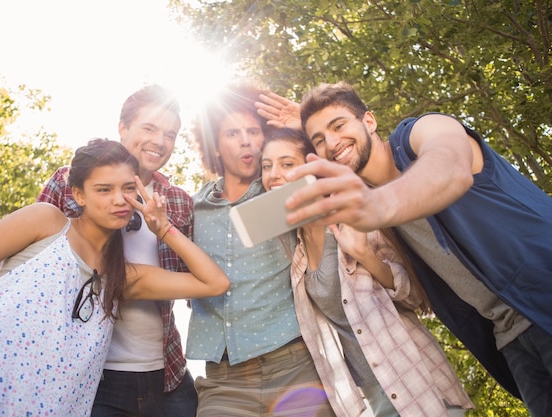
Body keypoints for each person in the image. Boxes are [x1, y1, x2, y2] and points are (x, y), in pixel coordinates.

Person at [258, 82, 552, 417]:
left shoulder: (419, 133)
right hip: (510, 338)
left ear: (369, 121)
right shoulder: (370, 211)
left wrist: (378, 203)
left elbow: (451, 167)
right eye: (320, 140)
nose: (332, 142)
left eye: (339, 126)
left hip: (543, 297)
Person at [0, 85, 199, 417]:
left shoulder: (177, 200)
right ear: (123, 128)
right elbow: (14, 259)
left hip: (164, 370)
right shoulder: (69, 181)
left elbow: (196, 284)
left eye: (170, 134)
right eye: (149, 128)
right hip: (86, 371)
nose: (159, 141)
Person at [260, 127, 472, 417]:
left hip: (414, 378)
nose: (273, 174)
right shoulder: (293, 251)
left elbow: (415, 298)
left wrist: (364, 255)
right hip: (368, 397)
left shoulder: (354, 216)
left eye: (287, 164)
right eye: (266, 166)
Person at [187, 82, 336, 417]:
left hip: (295, 367)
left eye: (253, 131)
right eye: (232, 133)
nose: (245, 141)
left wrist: (305, 126)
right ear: (214, 145)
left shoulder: (284, 191)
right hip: (226, 382)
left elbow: (348, 167)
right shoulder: (191, 209)